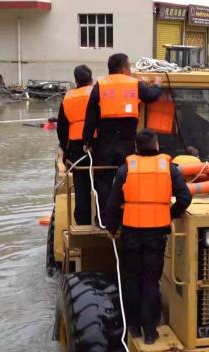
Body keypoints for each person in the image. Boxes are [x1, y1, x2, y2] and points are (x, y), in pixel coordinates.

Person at [105, 130, 192, 344]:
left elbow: (113, 202)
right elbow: (185, 197)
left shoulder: (126, 169)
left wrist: (111, 227)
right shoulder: (169, 169)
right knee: (151, 281)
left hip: (131, 232)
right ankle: (151, 331)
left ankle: (133, 327)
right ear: (157, 145)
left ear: (136, 148)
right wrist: (170, 213)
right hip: (156, 233)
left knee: (132, 279)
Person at [82, 53, 163, 226]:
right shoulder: (134, 84)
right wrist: (157, 84)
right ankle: (124, 217)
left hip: (104, 144)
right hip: (127, 144)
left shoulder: (100, 86)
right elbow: (151, 96)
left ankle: (103, 220)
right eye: (129, 67)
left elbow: (90, 119)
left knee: (103, 183)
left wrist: (87, 142)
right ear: (124, 68)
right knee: (127, 181)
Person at [56, 64, 95, 225]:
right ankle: (103, 219)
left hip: (77, 151)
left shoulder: (68, 98)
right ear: (91, 79)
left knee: (81, 187)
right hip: (98, 147)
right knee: (103, 184)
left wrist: (65, 150)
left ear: (76, 81)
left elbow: (61, 129)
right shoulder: (97, 93)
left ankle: (83, 222)